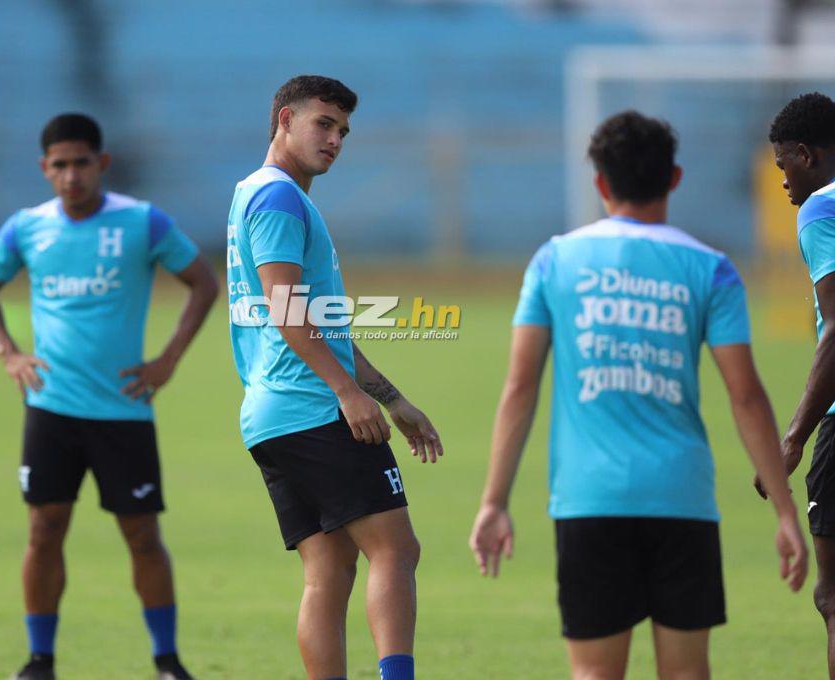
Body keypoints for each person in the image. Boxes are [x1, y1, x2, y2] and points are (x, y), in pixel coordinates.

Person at [469, 110, 808, 680]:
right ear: (674, 179)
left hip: (588, 498)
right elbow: (745, 395)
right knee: (685, 674)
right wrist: (783, 509)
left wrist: (494, 501)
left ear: (599, 183)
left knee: (595, 673)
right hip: (682, 497)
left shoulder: (554, 261)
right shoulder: (712, 269)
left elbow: (520, 387)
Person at [0, 113, 217, 680]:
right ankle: (40, 661)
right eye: (59, 164)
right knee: (44, 529)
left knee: (142, 535)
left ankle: (167, 661)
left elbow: (203, 281)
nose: (71, 175)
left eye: (82, 162)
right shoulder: (26, 228)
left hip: (123, 409)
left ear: (101, 163)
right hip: (50, 410)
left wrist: (169, 358)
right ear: (44, 169)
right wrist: (8, 352)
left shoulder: (141, 223)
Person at [225, 75, 443, 680]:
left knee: (330, 570)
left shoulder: (253, 192)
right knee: (396, 550)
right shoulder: (278, 199)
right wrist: (348, 393)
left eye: (343, 130)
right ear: (284, 119)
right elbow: (287, 310)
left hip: (272, 414)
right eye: (323, 123)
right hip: (313, 406)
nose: (335, 139)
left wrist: (391, 397)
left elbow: (325, 326)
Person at [768, 91, 835, 678]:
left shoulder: (821, 209)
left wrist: (790, 441)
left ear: (805, 154)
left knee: (833, 597)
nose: (782, 178)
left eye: (783, 163)